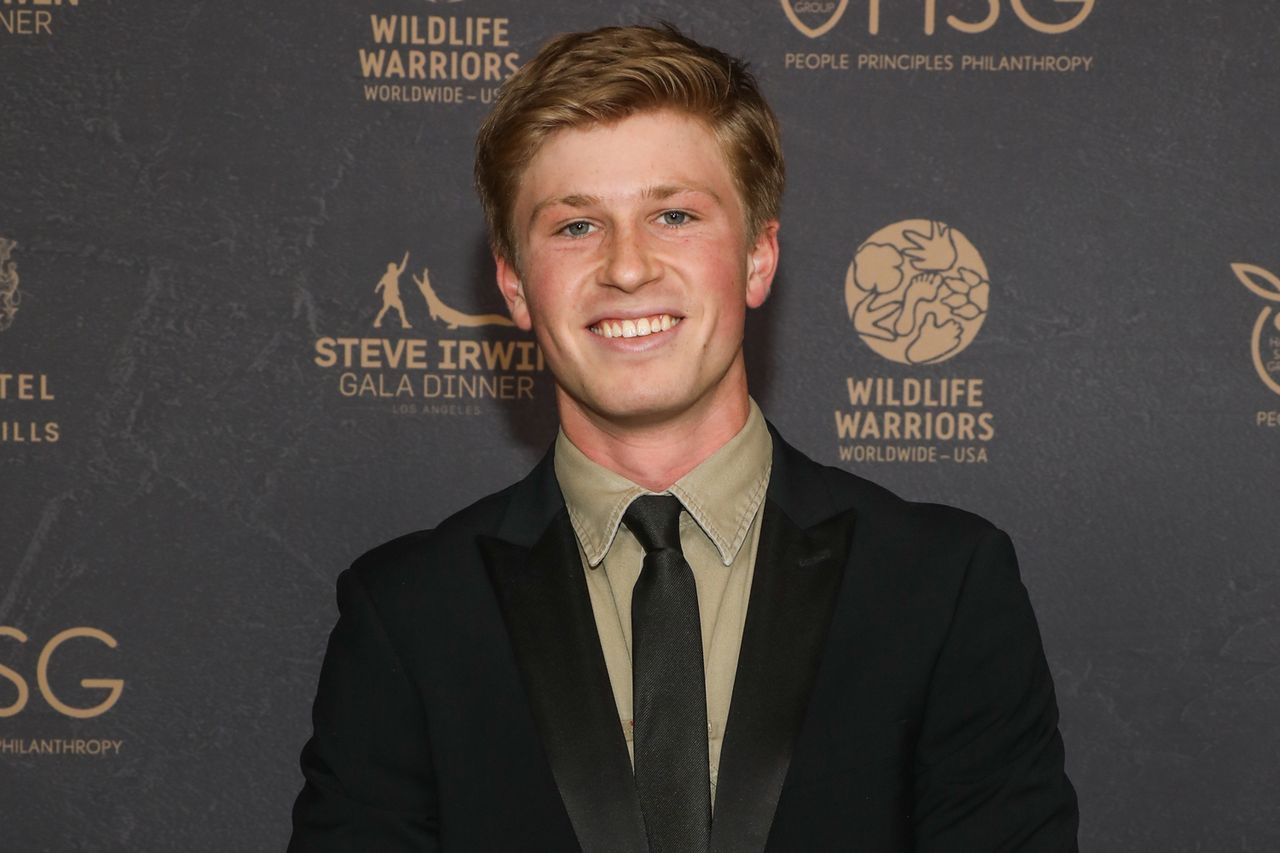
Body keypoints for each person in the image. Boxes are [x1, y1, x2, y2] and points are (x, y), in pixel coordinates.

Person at [289, 24, 1078, 853]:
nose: (628, 267)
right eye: (575, 226)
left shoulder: (942, 587)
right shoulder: (408, 614)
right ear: (515, 285)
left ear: (758, 257)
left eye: (674, 214)